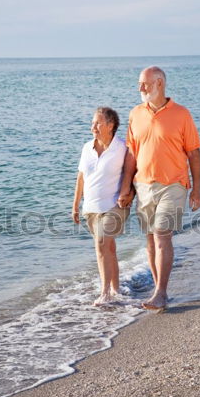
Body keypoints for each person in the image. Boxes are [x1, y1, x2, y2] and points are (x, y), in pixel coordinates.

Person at [118, 66, 200, 313]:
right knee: (150, 239)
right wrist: (126, 188)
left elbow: (194, 153)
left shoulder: (181, 114)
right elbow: (131, 154)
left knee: (162, 233)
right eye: (140, 84)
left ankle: (161, 293)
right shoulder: (136, 114)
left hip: (174, 184)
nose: (140, 88)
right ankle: (158, 288)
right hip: (143, 186)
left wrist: (196, 190)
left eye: (144, 84)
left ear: (159, 84)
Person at [72, 107, 133, 306]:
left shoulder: (122, 148)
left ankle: (105, 292)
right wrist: (75, 206)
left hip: (115, 205)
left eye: (97, 123)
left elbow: (132, 173)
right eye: (92, 123)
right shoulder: (87, 147)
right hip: (91, 207)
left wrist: (130, 194)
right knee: (108, 248)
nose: (93, 127)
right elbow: (81, 178)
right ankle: (116, 290)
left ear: (110, 125)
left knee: (102, 243)